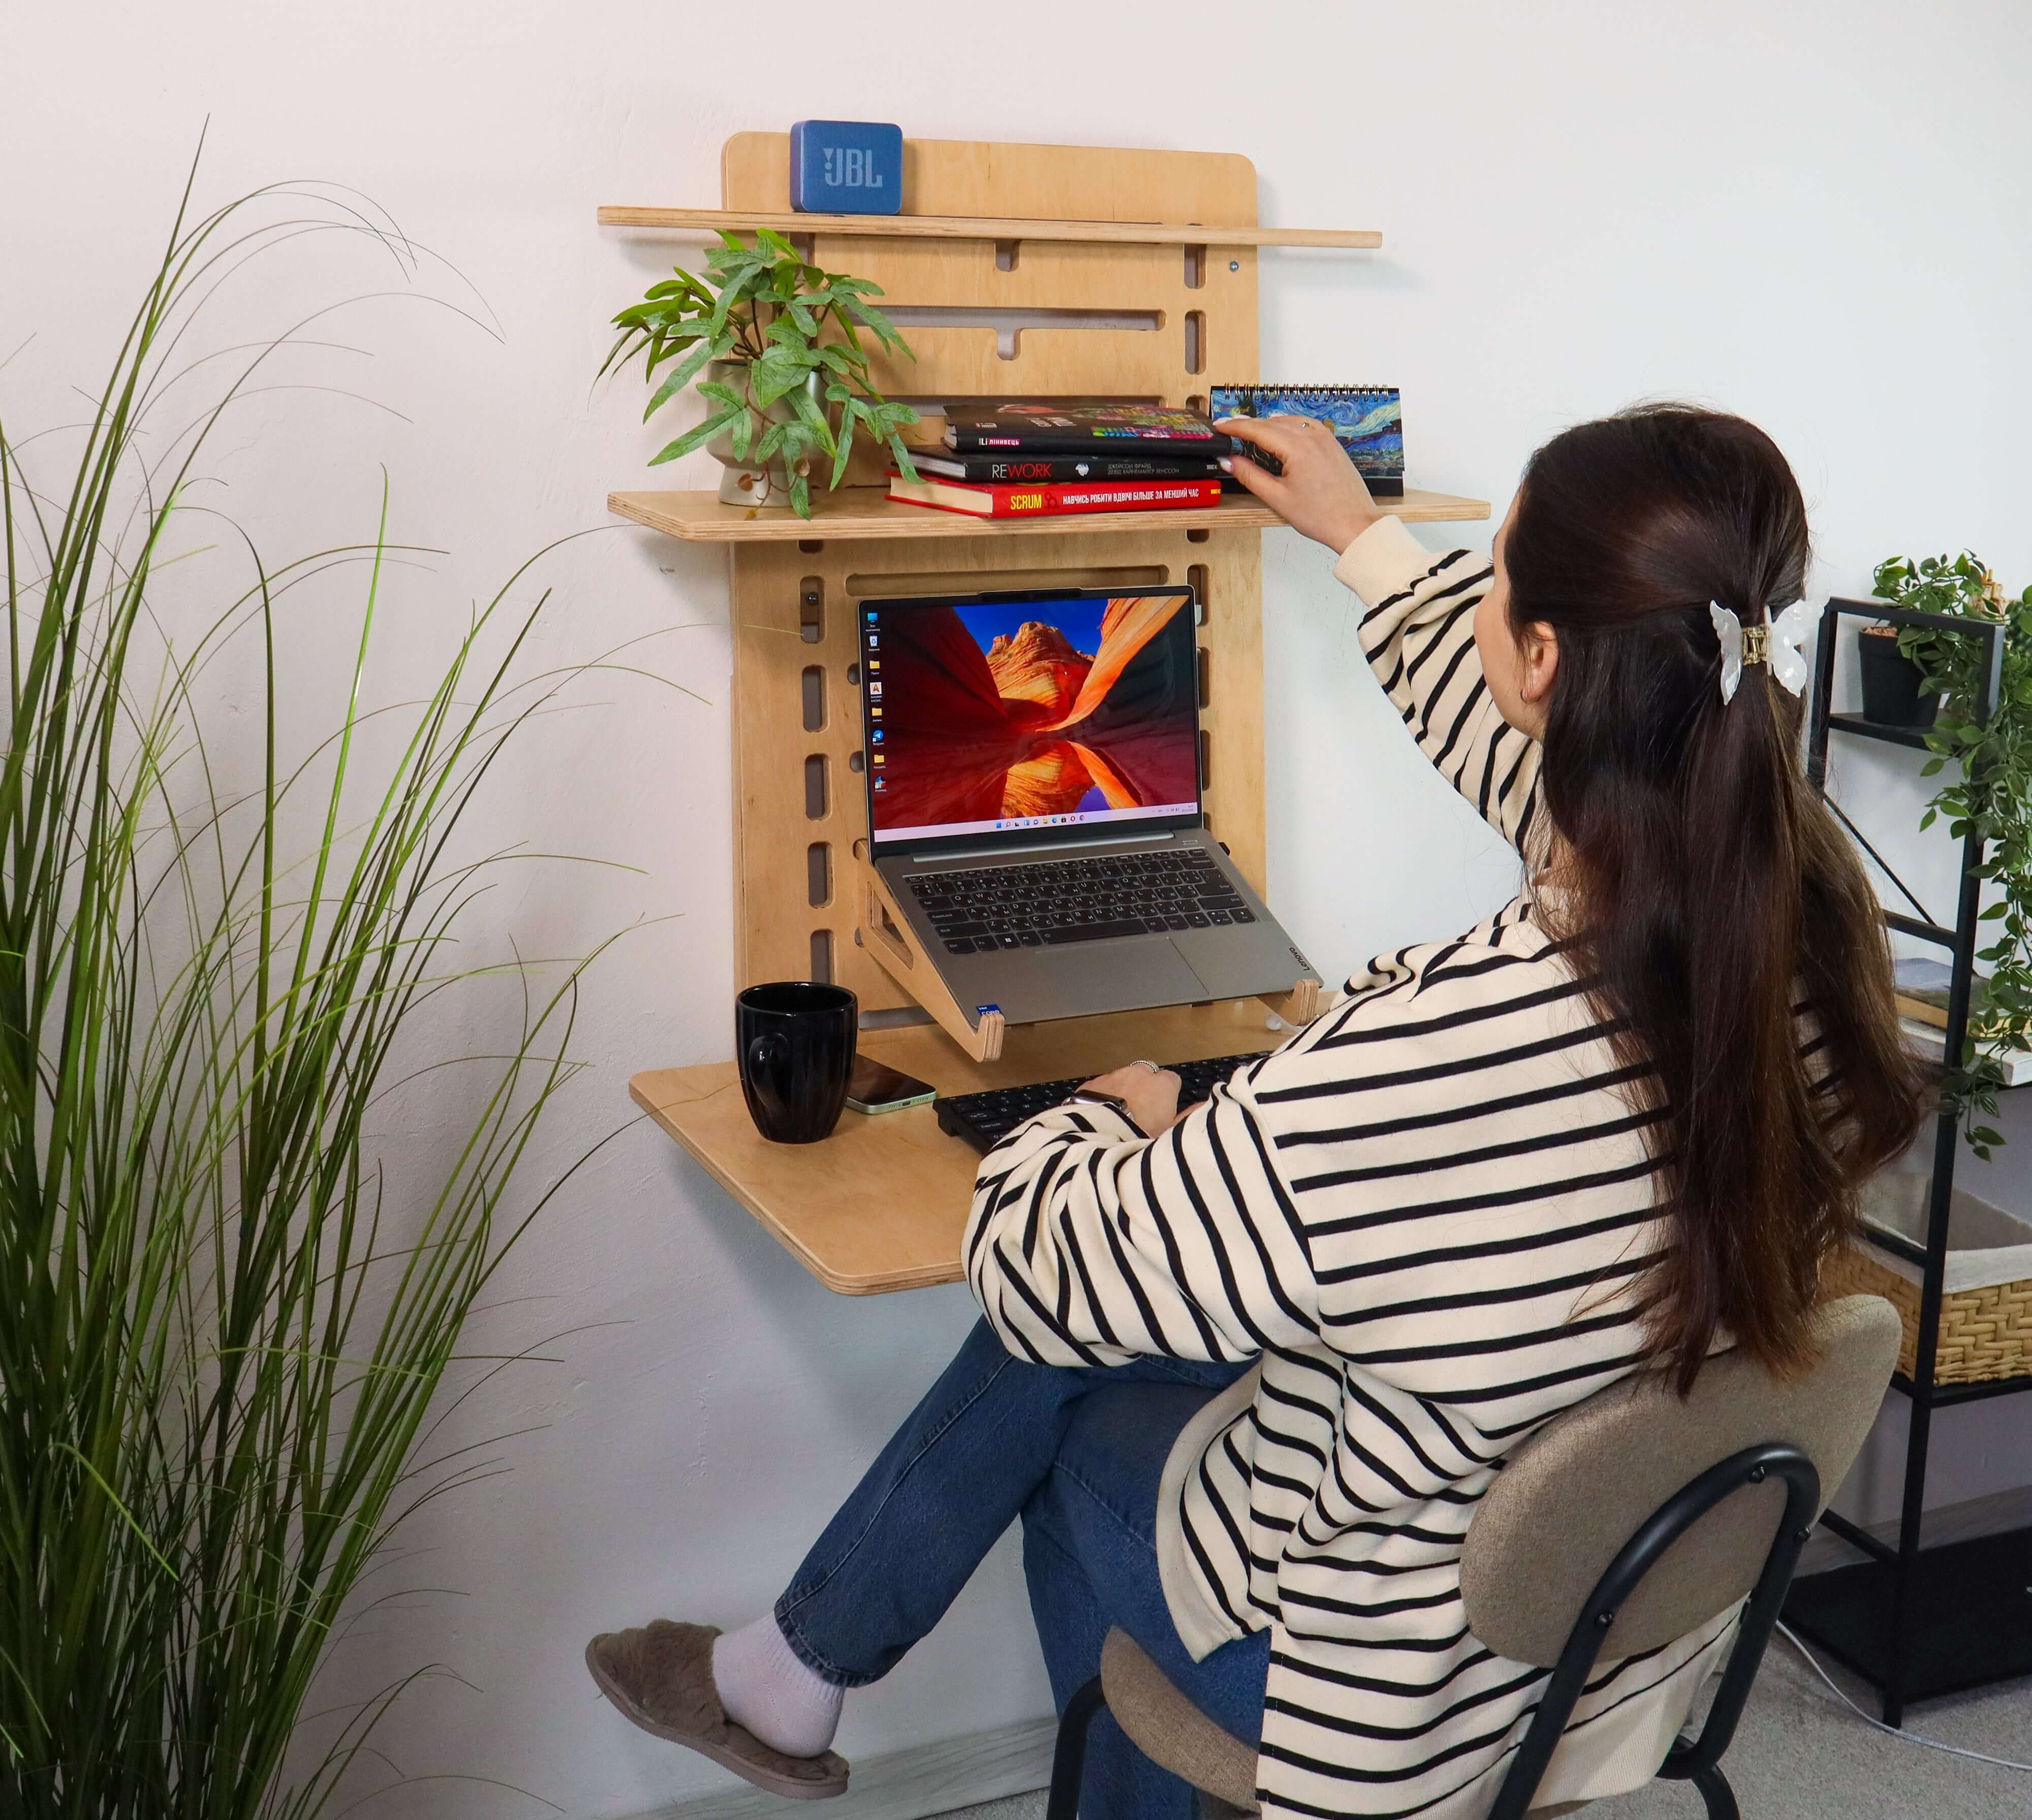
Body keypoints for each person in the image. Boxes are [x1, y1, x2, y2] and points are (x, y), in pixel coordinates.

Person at [587, 407, 1922, 1819]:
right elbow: (1555, 767)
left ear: (1543, 660)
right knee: (1134, 1342)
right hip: (1622, 1627)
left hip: (1403, 1690)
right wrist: (1364, 540)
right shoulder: (1796, 915)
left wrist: (1103, 1120)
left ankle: (804, 1670)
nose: (1477, 608)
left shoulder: (1450, 1060)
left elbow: (1057, 1276)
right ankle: (792, 1667)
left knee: (1064, 1370)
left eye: (1496, 582)